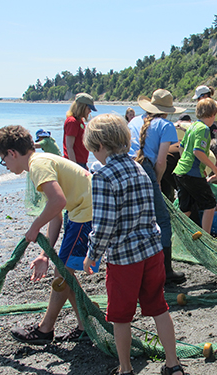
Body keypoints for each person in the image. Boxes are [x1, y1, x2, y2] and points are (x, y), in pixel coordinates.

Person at [83, 114, 184, 375]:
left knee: (121, 316)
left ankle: (126, 368)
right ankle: (173, 364)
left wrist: (92, 254)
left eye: (94, 149)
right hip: (152, 250)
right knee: (159, 307)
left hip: (124, 258)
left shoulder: (103, 176)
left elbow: (104, 224)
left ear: (100, 147)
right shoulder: (139, 167)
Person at [0, 125, 93, 343]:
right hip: (81, 211)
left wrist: (35, 226)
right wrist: (45, 254)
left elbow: (58, 201)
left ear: (12, 153)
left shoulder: (38, 166)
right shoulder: (41, 161)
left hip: (88, 213)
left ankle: (45, 329)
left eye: (3, 160)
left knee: (62, 273)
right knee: (65, 272)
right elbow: (56, 213)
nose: (6, 166)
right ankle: (84, 325)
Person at [128, 89, 186, 284]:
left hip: (125, 167)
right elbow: (161, 162)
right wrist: (158, 180)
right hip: (145, 169)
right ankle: (165, 270)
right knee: (162, 219)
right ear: (167, 110)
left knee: (136, 217)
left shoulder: (134, 121)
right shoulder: (166, 125)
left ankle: (137, 266)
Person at [173, 98, 217, 233]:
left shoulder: (192, 126)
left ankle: (178, 235)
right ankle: (206, 237)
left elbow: (181, 147)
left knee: (186, 208)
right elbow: (198, 151)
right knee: (210, 204)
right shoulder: (204, 129)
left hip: (180, 171)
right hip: (190, 173)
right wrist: (214, 168)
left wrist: (195, 166)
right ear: (212, 115)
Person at [192, 85, 217, 150]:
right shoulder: (216, 103)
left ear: (205, 96)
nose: (198, 101)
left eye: (198, 98)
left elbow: (204, 121)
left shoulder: (208, 106)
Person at [63, 93, 97, 169]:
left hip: (81, 163)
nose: (90, 111)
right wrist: (75, 168)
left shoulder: (79, 121)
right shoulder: (72, 122)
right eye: (89, 108)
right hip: (74, 164)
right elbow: (69, 147)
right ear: (82, 107)